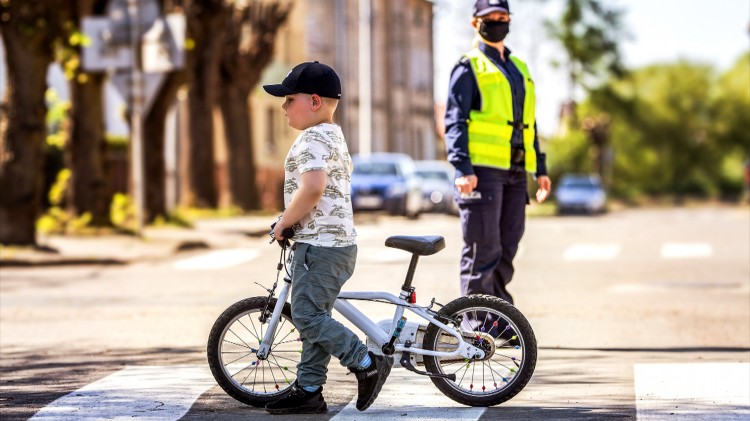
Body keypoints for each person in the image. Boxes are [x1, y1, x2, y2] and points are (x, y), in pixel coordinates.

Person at [262, 61, 392, 414]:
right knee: (316, 316)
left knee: (306, 316)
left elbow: (314, 188)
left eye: (290, 99)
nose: (284, 107)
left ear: (315, 101)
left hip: (319, 247)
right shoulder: (334, 135)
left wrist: (283, 223)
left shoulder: (311, 139)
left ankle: (365, 362)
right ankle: (308, 389)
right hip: (336, 245)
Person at [444, 0, 552, 325]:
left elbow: (528, 124)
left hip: (516, 173)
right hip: (482, 173)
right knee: (483, 250)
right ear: (475, 23)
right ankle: (475, 322)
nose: (496, 22)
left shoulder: (519, 67)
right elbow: (455, 121)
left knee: (506, 249)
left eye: (502, 17)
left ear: (509, 20)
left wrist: (541, 169)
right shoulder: (469, 66)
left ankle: (499, 317)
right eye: (489, 18)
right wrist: (462, 168)